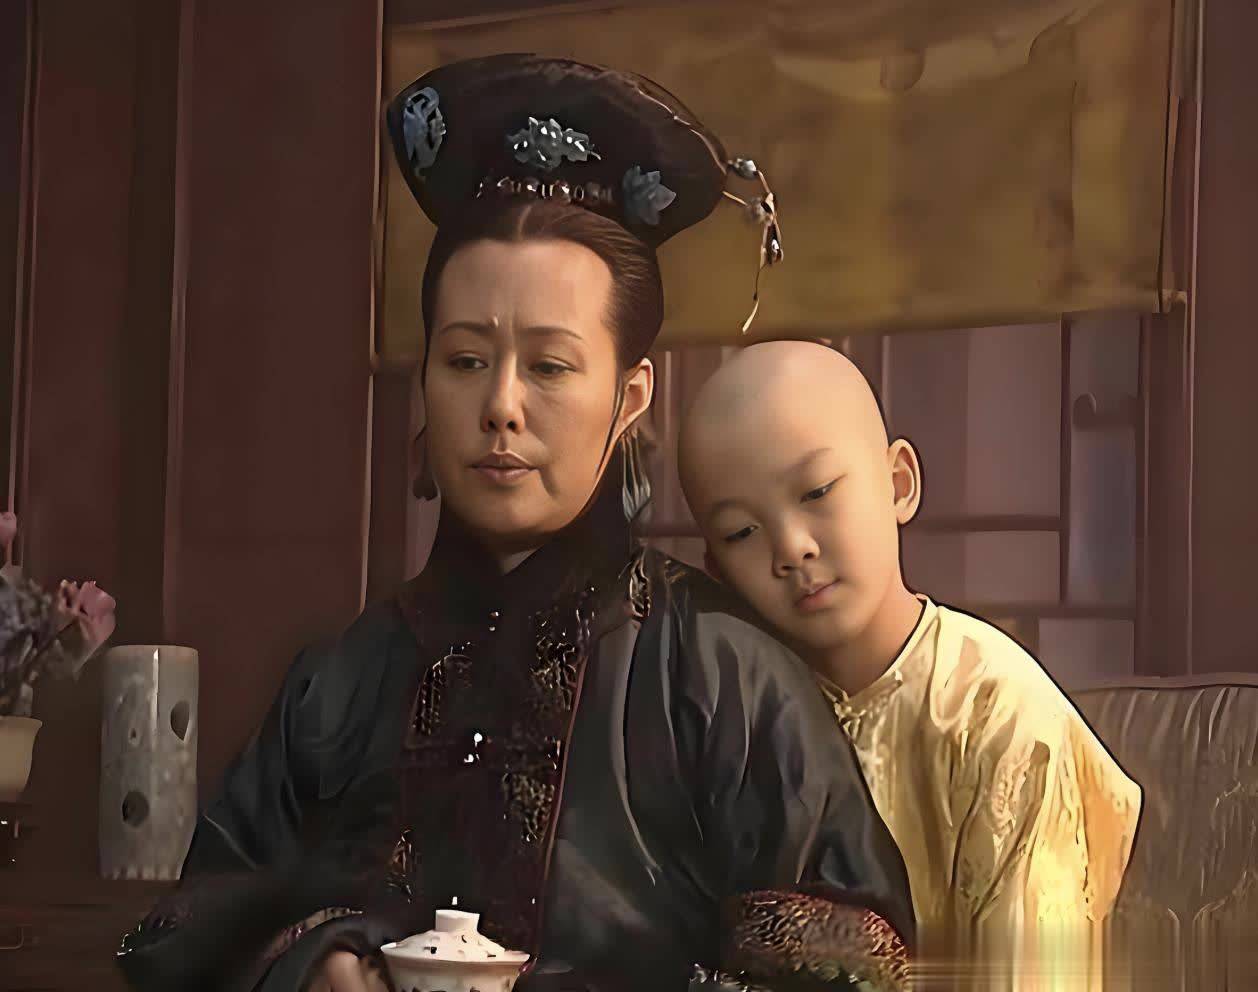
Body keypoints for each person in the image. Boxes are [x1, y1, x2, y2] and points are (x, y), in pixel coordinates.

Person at [116, 56, 914, 992]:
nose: (500, 406)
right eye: (465, 361)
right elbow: (178, 930)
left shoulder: (719, 675)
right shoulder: (340, 681)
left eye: (549, 367)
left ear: (629, 399)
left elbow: (865, 957)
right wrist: (315, 959)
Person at [678, 340, 1143, 989]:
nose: (791, 548)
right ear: (716, 569)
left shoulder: (1003, 717)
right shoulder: (722, 720)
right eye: (741, 533)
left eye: (816, 491)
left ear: (899, 484)